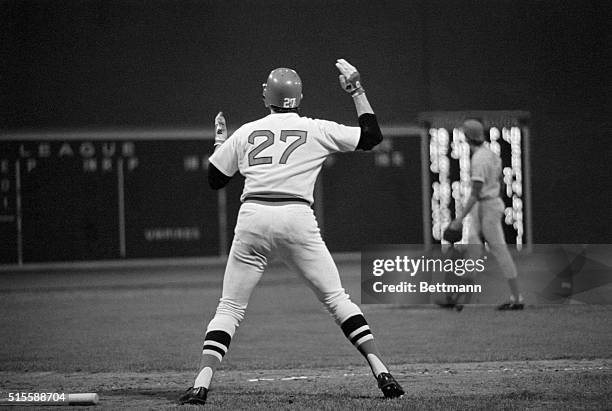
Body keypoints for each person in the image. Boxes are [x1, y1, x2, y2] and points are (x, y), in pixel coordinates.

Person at [178, 59, 404, 405]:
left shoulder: (247, 131)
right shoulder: (315, 128)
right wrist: (357, 91)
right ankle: (381, 371)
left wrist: (219, 143)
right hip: (296, 217)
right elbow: (372, 136)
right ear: (298, 98)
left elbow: (215, 179)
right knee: (336, 299)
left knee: (230, 308)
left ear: (266, 96)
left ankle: (201, 383)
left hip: (253, 215)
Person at [447, 119, 524, 311]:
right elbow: (498, 180)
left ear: (466, 136)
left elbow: (476, 191)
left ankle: (517, 298)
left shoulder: (479, 158)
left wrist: (459, 219)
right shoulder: (490, 153)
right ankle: (461, 298)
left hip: (486, 206)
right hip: (486, 204)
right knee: (473, 251)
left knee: (499, 249)